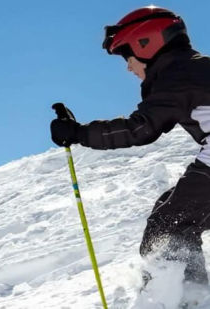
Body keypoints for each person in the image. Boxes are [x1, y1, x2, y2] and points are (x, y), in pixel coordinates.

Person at [50, 6, 210, 286]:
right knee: (170, 210)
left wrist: (77, 133)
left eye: (128, 56)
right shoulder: (197, 67)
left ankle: (184, 299)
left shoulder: (178, 77)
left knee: (168, 226)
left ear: (147, 44)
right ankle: (188, 293)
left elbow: (139, 129)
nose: (128, 67)